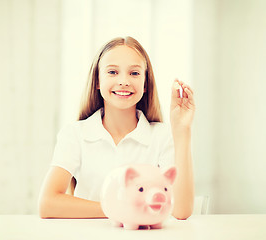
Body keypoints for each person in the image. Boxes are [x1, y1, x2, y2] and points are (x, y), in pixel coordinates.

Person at [38, 36, 195, 220]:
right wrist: (121, 209)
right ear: (97, 80)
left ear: (146, 84)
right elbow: (48, 204)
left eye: (134, 73)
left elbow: (181, 211)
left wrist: (182, 130)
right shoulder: (74, 134)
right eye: (112, 72)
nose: (124, 81)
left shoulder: (162, 136)